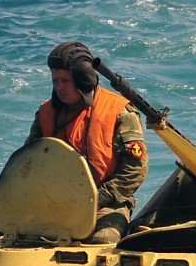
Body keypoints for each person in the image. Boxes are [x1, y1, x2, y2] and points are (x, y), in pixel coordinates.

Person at [30, 40, 147, 243]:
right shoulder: (46, 113)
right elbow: (29, 162)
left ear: (83, 80)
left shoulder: (118, 111)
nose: (59, 87)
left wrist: (96, 198)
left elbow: (136, 169)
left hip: (107, 203)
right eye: (55, 81)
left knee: (103, 242)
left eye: (65, 80)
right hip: (55, 203)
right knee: (0, 232)